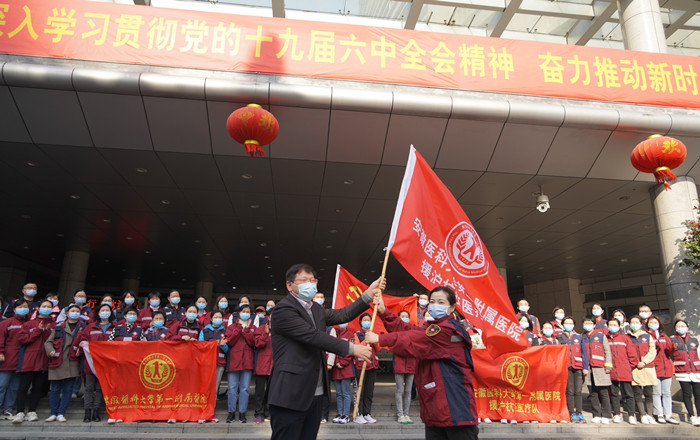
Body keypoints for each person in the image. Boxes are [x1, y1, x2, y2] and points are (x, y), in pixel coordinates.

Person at [268, 263, 380, 440]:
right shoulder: (283, 310)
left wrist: (367, 294)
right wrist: (351, 348)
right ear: (289, 285)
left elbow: (342, 315)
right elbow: (312, 336)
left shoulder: (315, 309)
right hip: (290, 394)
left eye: (313, 280)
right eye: (304, 280)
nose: (310, 284)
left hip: (316, 393)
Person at [365, 285, 478, 440]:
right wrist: (385, 312)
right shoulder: (431, 328)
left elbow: (414, 339)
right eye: (432, 301)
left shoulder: (449, 329)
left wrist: (380, 338)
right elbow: (407, 330)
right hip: (435, 411)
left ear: (452, 308)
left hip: (455, 410)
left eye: (441, 302)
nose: (435, 305)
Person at [12, 299, 55, 424]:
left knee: (37, 388)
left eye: (48, 307)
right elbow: (23, 340)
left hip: (43, 362)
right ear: (38, 308)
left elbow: (52, 342)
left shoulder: (54, 325)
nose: (46, 308)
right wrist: (37, 331)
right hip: (28, 361)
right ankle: (20, 411)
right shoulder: (28, 324)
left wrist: (46, 332)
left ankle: (32, 410)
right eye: (44, 306)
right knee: (23, 387)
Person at [73, 303, 116, 422]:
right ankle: (87, 411)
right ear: (98, 312)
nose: (105, 312)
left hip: (106, 364)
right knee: (89, 388)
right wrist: (82, 345)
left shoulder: (115, 327)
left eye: (107, 310)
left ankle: (96, 411)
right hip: (91, 363)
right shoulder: (90, 327)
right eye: (103, 310)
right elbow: (83, 339)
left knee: (99, 388)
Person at [44, 304, 84, 423]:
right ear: (67, 313)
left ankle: (61, 412)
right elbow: (48, 342)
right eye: (73, 311)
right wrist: (50, 350)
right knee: (55, 389)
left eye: (77, 311)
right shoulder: (58, 328)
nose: (75, 313)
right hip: (58, 361)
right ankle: (53, 412)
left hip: (73, 362)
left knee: (68, 389)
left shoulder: (83, 328)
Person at [224, 304, 256, 423]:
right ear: (238, 313)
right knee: (232, 388)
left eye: (248, 312)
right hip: (234, 361)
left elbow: (253, 343)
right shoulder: (231, 327)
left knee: (245, 389)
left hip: (247, 362)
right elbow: (230, 341)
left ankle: (242, 412)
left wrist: (246, 330)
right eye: (243, 311)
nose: (245, 313)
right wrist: (238, 328)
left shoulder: (253, 327)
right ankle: (231, 412)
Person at [0, 299, 30, 420]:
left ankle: (8, 408)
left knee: (14, 387)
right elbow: (1, 339)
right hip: (7, 359)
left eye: (25, 307)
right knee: (2, 385)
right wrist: (1, 352)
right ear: (14, 309)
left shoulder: (29, 323)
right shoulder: (6, 323)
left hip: (22, 360)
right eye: (20, 307)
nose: (23, 309)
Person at [606, 317, 638, 424]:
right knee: (614, 394)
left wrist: (630, 366)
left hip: (624, 370)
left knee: (629, 394)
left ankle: (631, 414)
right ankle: (616, 414)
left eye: (615, 325)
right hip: (611, 371)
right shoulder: (605, 338)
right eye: (610, 325)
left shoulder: (625, 338)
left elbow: (632, 354)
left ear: (619, 326)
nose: (612, 327)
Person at [581, 316, 613, 424]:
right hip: (588, 369)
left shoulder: (601, 336)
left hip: (600, 367)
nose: (587, 325)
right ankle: (596, 414)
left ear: (594, 325)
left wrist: (608, 366)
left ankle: (606, 415)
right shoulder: (582, 337)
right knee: (592, 393)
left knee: (604, 392)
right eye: (585, 323)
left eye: (590, 323)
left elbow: (607, 351)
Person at [556, 316, 588, 423]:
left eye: (571, 323)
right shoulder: (559, 336)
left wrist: (585, 367)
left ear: (574, 325)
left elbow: (584, 353)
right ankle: (571, 413)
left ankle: (579, 412)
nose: (568, 325)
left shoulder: (579, 337)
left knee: (578, 391)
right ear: (563, 324)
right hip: (566, 367)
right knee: (569, 391)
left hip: (578, 367)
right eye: (566, 323)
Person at [669, 319, 700, 426]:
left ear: (687, 328)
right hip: (682, 371)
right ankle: (692, 416)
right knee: (687, 394)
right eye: (678, 326)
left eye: (683, 326)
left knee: (698, 394)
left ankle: (699, 415)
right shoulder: (672, 339)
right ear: (675, 328)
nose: (681, 328)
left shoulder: (694, 340)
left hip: (696, 371)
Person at [627, 315, 657, 425]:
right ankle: (642, 414)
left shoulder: (647, 336)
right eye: (632, 322)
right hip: (634, 368)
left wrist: (644, 362)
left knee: (649, 392)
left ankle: (650, 414)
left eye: (637, 322)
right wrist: (636, 363)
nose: (634, 324)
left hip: (647, 367)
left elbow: (652, 351)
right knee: (637, 393)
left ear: (641, 324)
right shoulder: (627, 337)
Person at [647, 314, 677, 424]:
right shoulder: (646, 336)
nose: (653, 324)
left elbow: (669, 352)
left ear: (659, 324)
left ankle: (668, 414)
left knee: (666, 393)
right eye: (651, 322)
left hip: (666, 368)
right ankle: (659, 414)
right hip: (654, 368)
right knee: (656, 393)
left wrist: (672, 347)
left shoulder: (664, 336)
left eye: (655, 322)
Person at [354, 312, 381, 424]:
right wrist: (366, 339)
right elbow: (357, 347)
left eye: (368, 320)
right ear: (361, 322)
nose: (367, 322)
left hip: (372, 366)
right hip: (360, 366)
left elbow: (378, 348)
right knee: (360, 391)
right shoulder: (357, 334)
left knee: (369, 391)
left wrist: (374, 338)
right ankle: (358, 414)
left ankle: (367, 413)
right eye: (364, 320)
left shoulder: (373, 334)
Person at [198, 310, 229, 405]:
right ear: (211, 319)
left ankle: (212, 408)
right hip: (207, 362)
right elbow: (200, 346)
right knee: (205, 385)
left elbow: (227, 349)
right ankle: (203, 406)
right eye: (216, 317)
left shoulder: (225, 331)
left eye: (220, 317)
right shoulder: (205, 330)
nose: (218, 319)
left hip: (220, 362)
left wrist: (222, 345)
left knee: (215, 386)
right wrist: (214, 343)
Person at [393, 310, 416, 424]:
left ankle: (406, 414)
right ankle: (400, 415)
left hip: (411, 364)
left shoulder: (413, 330)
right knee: (399, 390)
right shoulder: (395, 331)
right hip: (399, 364)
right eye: (402, 316)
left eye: (406, 316)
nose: (404, 318)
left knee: (408, 391)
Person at [330, 322, 353, 425]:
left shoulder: (350, 335)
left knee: (346, 393)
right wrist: (335, 362)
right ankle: (340, 413)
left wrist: (342, 362)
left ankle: (346, 414)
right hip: (336, 369)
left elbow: (351, 351)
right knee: (339, 393)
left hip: (346, 369)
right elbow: (331, 349)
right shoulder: (335, 333)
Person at [253, 308, 272, 424]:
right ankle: (258, 413)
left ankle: (269, 412)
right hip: (261, 365)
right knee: (259, 391)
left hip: (274, 366)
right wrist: (265, 333)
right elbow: (258, 344)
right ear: (267, 317)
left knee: (272, 392)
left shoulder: (281, 330)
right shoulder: (260, 329)